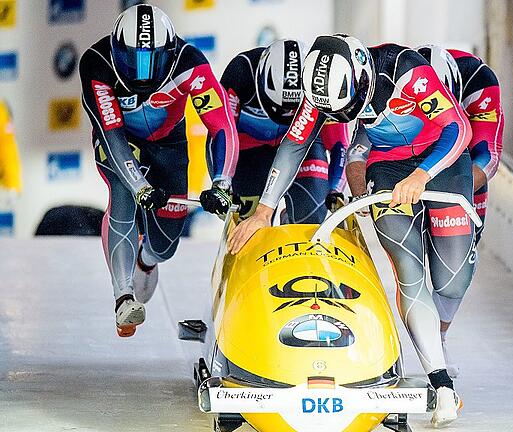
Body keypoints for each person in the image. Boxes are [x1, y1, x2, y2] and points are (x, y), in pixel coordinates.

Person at [227, 34, 472, 428]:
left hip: (441, 163)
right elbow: (294, 144)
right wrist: (264, 211)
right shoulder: (317, 94)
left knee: (452, 280)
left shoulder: (405, 72)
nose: (341, 116)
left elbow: (457, 129)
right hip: (388, 166)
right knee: (408, 269)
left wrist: (423, 174)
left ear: (360, 77)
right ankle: (441, 383)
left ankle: (436, 338)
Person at [79, 4, 239, 337]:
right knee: (122, 194)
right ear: (116, 49)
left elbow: (221, 125)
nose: (141, 73)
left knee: (166, 243)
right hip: (122, 139)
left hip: (169, 143)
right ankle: (123, 296)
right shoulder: (97, 64)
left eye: (151, 61)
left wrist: (222, 182)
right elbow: (111, 133)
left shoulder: (190, 63)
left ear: (168, 52)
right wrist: (139, 185)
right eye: (132, 60)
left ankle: (146, 257)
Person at [417, 45, 505, 376]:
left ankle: (438, 336)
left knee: (455, 267)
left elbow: (489, 155)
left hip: (461, 167)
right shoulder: (402, 75)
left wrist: (447, 189)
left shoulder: (480, 81)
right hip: (410, 158)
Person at [219, 39, 348, 221]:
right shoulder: (242, 71)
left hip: (303, 147)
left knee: (310, 217)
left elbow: (339, 145)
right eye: (278, 107)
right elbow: (222, 132)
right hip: (250, 151)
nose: (286, 114)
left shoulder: (322, 84)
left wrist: (336, 189)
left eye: (293, 110)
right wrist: (221, 182)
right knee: (248, 229)